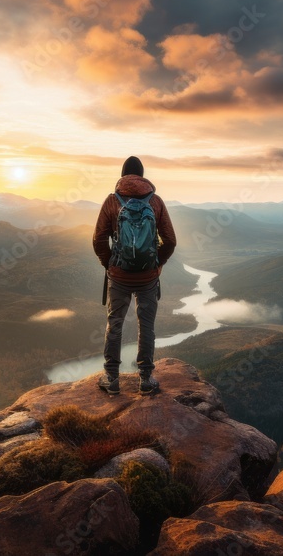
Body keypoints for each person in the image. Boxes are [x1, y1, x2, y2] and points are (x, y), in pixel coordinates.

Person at [92, 156, 176, 395]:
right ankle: (146, 379)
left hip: (118, 275)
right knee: (146, 325)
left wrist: (109, 263)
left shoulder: (111, 201)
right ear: (142, 176)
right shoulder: (155, 201)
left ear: (122, 176)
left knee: (115, 324)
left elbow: (98, 239)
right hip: (148, 277)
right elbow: (170, 241)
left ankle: (111, 378)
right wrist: (157, 263)